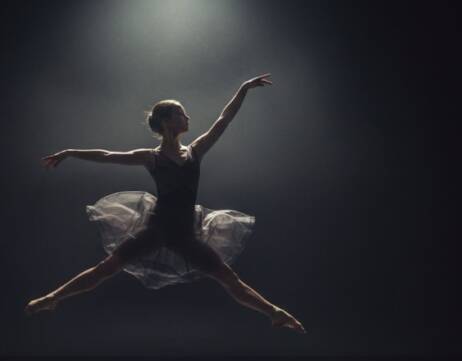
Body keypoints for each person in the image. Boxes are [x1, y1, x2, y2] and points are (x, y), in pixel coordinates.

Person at [25, 74, 306, 334]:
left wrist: (243, 89)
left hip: (185, 234)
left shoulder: (196, 151)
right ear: (167, 121)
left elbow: (224, 119)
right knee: (106, 268)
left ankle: (274, 312)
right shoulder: (151, 157)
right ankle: (53, 297)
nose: (188, 116)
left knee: (228, 277)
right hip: (157, 228)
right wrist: (71, 152)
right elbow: (108, 154)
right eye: (181, 112)